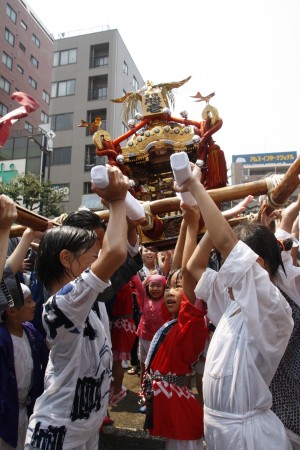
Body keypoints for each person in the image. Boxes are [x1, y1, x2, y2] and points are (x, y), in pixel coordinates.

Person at [176, 163, 294, 450]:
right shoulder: (232, 302)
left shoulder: (273, 307)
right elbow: (192, 269)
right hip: (218, 427)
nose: (223, 271)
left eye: (229, 262)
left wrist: (195, 186)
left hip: (248, 434)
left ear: (257, 265)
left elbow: (228, 244)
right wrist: (215, 225)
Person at [25, 165, 131, 449]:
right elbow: (117, 252)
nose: (98, 258)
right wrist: (118, 200)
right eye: (92, 254)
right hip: (57, 434)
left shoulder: (91, 303)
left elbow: (121, 251)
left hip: (84, 429)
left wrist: (113, 204)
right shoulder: (60, 306)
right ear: (65, 258)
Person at [142, 204, 209, 450]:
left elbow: (188, 273)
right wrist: (184, 224)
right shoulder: (172, 323)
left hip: (181, 411)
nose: (170, 292)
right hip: (171, 406)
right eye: (168, 287)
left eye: (177, 288)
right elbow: (180, 270)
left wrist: (193, 225)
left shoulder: (191, 323)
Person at [0, 282, 48, 450]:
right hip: (7, 416)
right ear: (12, 311)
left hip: (26, 410)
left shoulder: (30, 332)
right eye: (28, 301)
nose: (34, 304)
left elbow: (46, 354)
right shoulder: (2, 340)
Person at [135, 273, 167, 411]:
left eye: (158, 285)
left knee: (159, 370)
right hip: (144, 338)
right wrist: (147, 278)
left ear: (164, 287)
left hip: (161, 341)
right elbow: (138, 286)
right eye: (152, 285)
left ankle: (158, 397)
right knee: (144, 368)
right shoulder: (143, 299)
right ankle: (144, 394)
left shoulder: (167, 299)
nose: (155, 288)